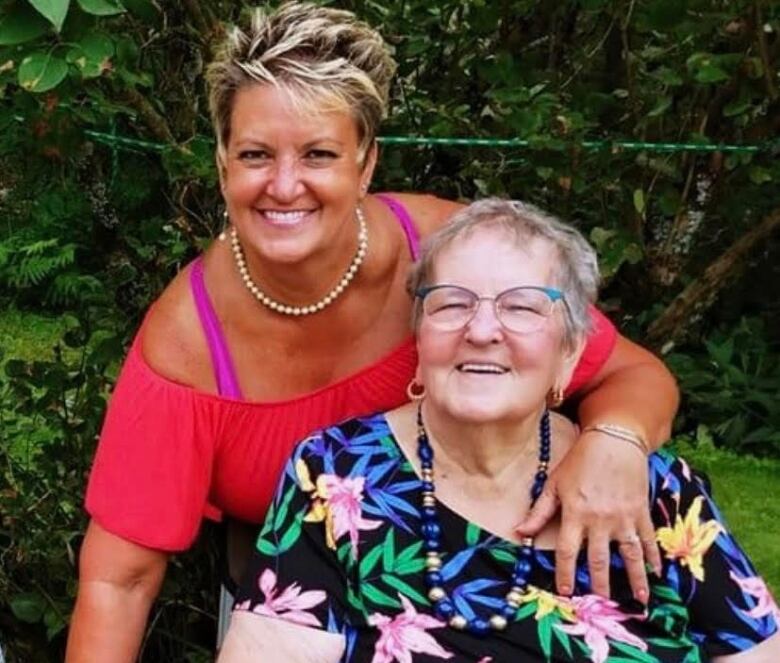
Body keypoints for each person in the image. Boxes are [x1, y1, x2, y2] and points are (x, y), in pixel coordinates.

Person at [66, 4, 679, 662]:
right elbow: (118, 578)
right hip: (290, 622)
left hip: (518, 594)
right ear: (222, 164)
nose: (284, 183)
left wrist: (617, 441)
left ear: (365, 163)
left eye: (319, 154)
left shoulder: (450, 266)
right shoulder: (187, 342)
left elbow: (634, 374)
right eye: (254, 154)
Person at [220, 198, 780, 663]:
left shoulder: (654, 493)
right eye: (451, 304)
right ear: (419, 343)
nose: (482, 329)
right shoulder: (338, 478)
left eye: (522, 307)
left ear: (570, 354)